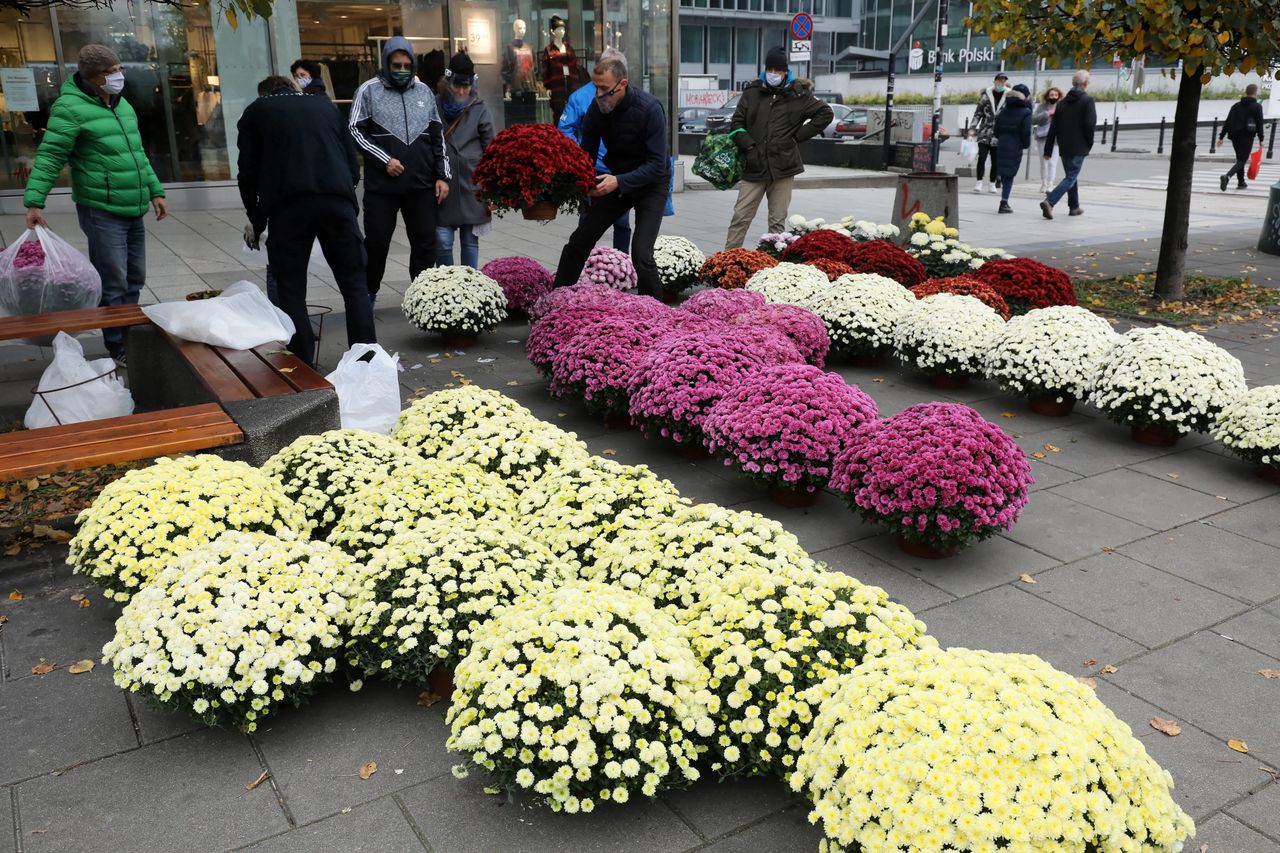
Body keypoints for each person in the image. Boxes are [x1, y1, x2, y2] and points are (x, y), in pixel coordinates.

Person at [23, 44, 168, 365]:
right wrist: (35, 202)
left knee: (135, 278)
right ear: (92, 78)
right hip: (101, 209)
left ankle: (132, 336)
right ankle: (117, 344)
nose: (119, 76)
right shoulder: (70, 108)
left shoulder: (122, 105)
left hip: (133, 206)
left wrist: (155, 190)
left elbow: (137, 155)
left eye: (119, 69)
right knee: (113, 280)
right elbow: (49, 157)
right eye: (111, 72)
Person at [238, 75, 375, 365]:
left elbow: (247, 174)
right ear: (293, 88)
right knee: (354, 285)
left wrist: (256, 218)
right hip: (337, 203)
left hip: (289, 207)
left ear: (264, 94)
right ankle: (367, 362)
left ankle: (303, 366)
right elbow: (352, 164)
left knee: (291, 289)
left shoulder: (256, 111)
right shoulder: (325, 107)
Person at [552, 51, 669, 297]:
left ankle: (656, 313)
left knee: (641, 253)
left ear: (622, 84)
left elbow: (658, 165)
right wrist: (582, 182)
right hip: (618, 182)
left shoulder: (650, 109)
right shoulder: (597, 109)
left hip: (651, 185)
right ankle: (556, 301)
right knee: (580, 240)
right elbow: (587, 155)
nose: (598, 96)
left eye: (604, 89)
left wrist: (619, 181)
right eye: (595, 88)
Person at [349, 36, 450, 305]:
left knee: (425, 245)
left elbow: (437, 135)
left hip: (421, 185)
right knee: (377, 244)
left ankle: (422, 300)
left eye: (407, 64)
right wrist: (385, 159)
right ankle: (367, 298)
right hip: (382, 189)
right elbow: (354, 131)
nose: (402, 69)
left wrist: (442, 175)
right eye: (396, 64)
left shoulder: (424, 91)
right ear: (386, 63)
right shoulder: (368, 91)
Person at [723, 47, 833, 250]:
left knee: (777, 223)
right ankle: (728, 259)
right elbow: (736, 124)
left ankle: (772, 268)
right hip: (754, 167)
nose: (773, 73)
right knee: (740, 217)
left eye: (778, 70)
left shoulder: (798, 94)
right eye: (770, 69)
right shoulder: (752, 92)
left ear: (785, 72)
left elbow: (826, 113)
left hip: (783, 168)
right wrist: (749, 146)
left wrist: (798, 136)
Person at [558, 46, 632, 253]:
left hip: (618, 172)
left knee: (622, 222)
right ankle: (583, 260)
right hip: (591, 169)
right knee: (587, 220)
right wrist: (580, 155)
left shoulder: (627, 96)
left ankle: (622, 262)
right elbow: (565, 129)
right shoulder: (580, 97)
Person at [435, 52, 494, 268]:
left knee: (470, 242)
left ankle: (469, 287)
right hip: (443, 183)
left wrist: (492, 186)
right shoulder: (434, 106)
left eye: (466, 86)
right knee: (442, 241)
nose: (461, 91)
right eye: (457, 85)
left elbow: (491, 149)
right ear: (447, 82)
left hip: (472, 183)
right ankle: (445, 285)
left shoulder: (479, 108)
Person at [1040, 70, 1097, 220]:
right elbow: (1089, 125)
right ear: (1085, 84)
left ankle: (1074, 206)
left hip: (1064, 146)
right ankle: (1050, 201)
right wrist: (1089, 143)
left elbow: (1054, 127)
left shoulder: (1062, 103)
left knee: (1071, 175)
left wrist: (1048, 149)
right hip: (1079, 145)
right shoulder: (1087, 100)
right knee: (1071, 176)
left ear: (1073, 83)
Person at [993, 83, 1032, 214]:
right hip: (1015, 144)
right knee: (1010, 174)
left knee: (1005, 172)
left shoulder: (1003, 111)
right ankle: (1004, 202)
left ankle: (1004, 197)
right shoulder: (1026, 112)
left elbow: (996, 130)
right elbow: (1026, 132)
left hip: (1002, 143)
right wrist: (1026, 144)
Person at [1219, 84, 1265, 191]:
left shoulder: (1235, 106)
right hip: (1247, 136)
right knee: (1242, 160)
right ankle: (1227, 176)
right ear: (1255, 92)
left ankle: (1241, 182)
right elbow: (1259, 124)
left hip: (1235, 136)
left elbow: (1228, 122)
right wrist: (1261, 139)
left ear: (1246, 92)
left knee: (1240, 159)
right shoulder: (1257, 106)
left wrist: (1221, 137)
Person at [971, 72, 1008, 194]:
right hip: (985, 132)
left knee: (996, 160)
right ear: (994, 81)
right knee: (981, 157)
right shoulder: (986, 95)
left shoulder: (1008, 96)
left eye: (1003, 81)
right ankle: (979, 181)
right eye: (999, 81)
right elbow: (978, 113)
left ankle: (992, 183)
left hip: (999, 134)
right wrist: (972, 128)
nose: (1000, 83)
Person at [1031, 87, 1063, 194]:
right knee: (1043, 162)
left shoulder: (1061, 107)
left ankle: (1050, 183)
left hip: (1056, 139)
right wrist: (1047, 114)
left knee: (1052, 163)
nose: (1053, 97)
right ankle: (1044, 183)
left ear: (1059, 97)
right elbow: (1033, 120)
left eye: (1055, 95)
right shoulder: (1042, 107)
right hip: (1042, 137)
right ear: (1047, 96)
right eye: (1051, 95)